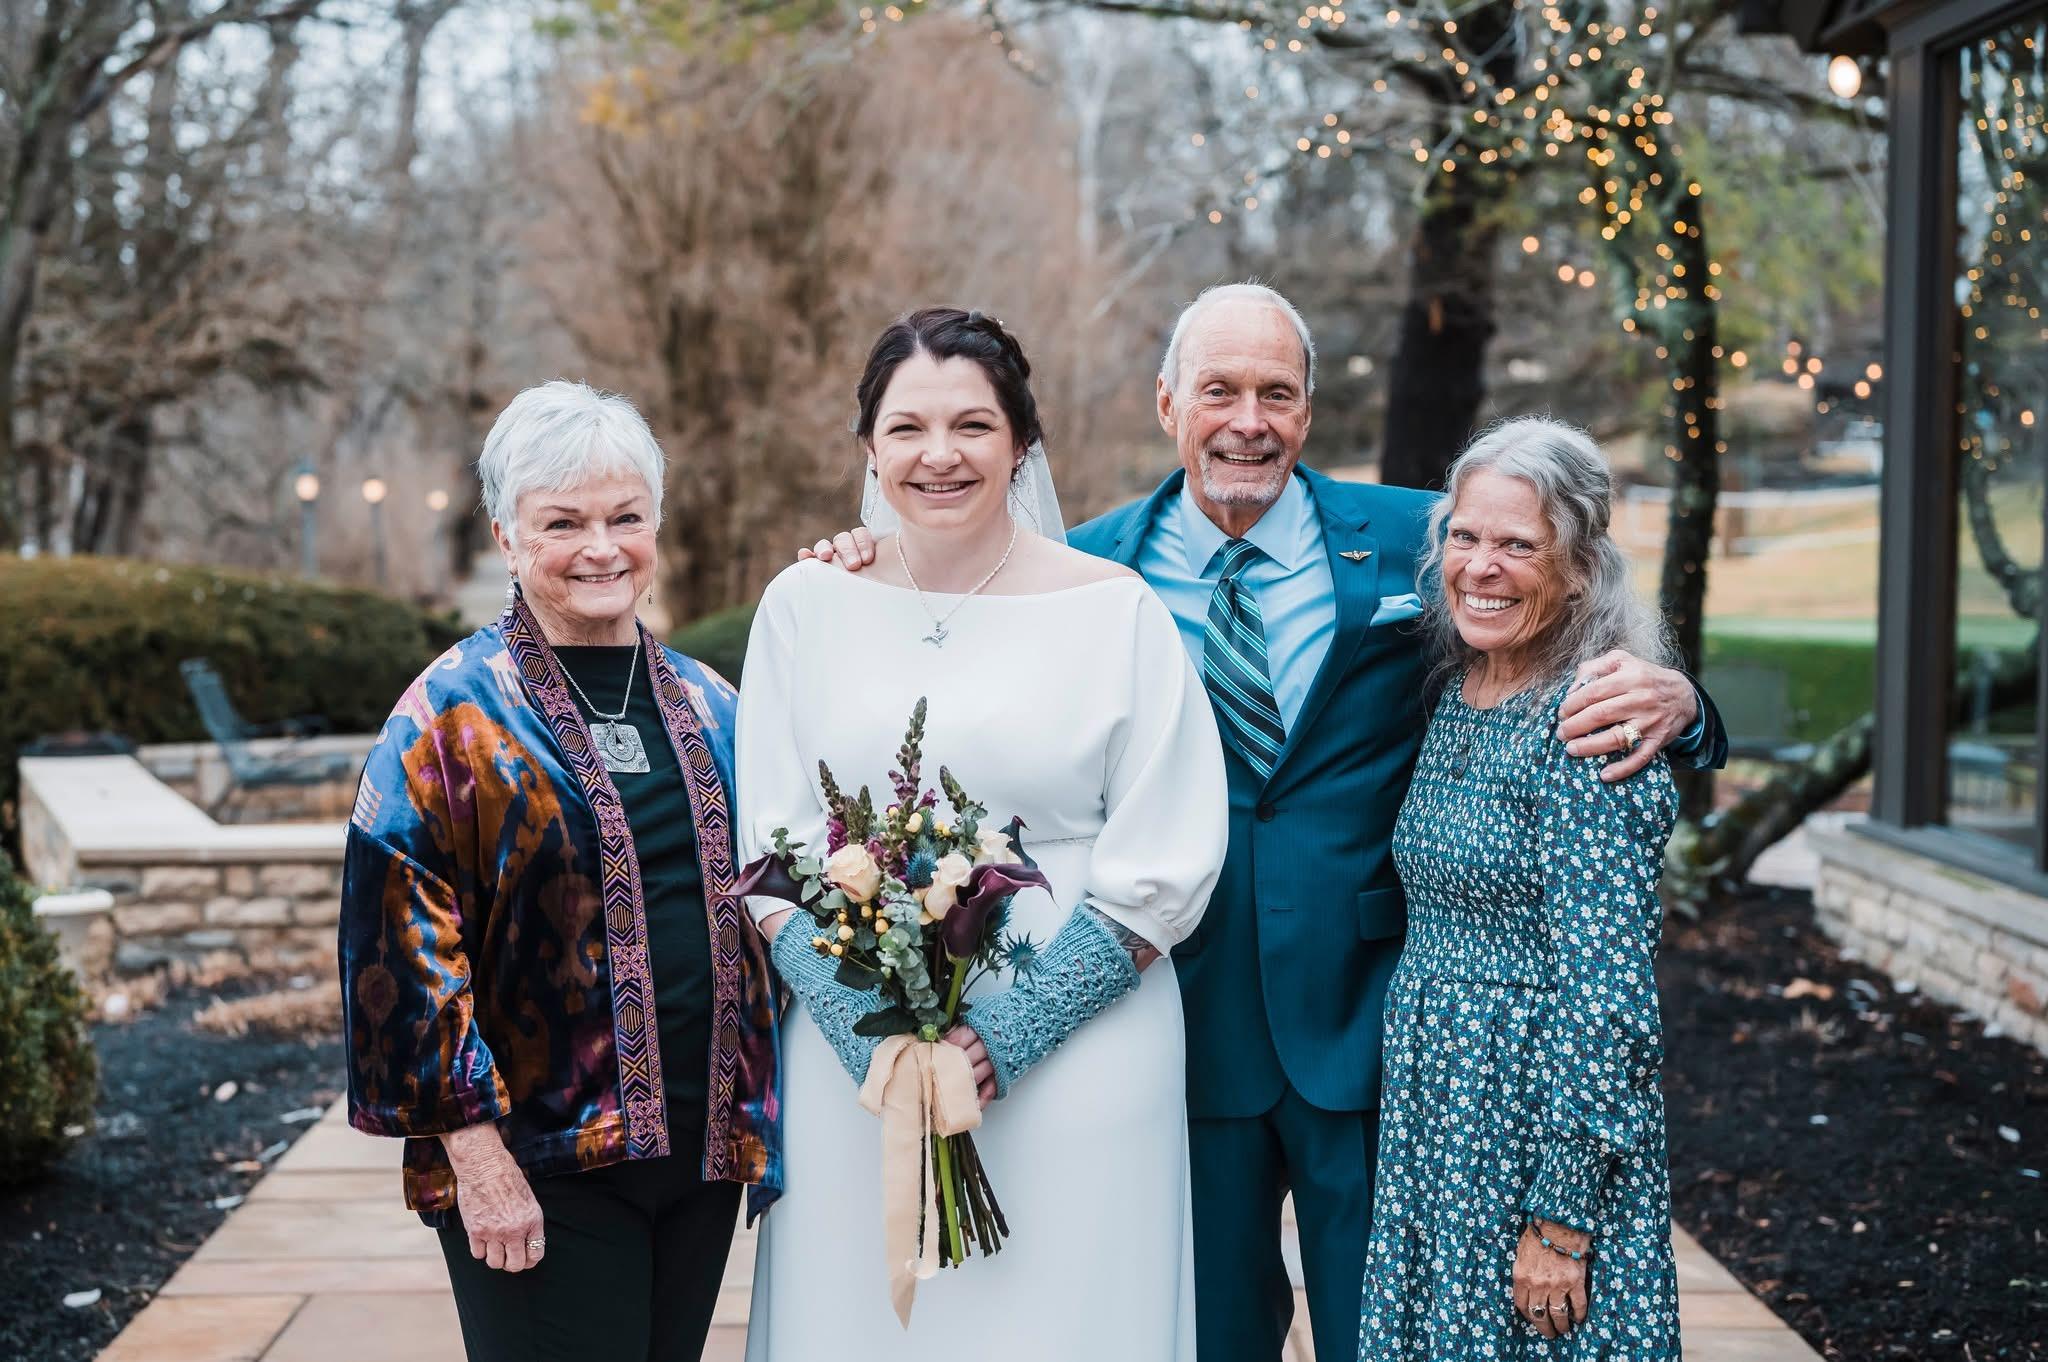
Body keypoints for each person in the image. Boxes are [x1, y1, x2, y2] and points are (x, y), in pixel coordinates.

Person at [806, 282, 1727, 1361]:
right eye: (1218, 391)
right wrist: (857, 567)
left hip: (1379, 1030)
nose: (1247, 420)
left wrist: (1686, 710)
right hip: (1173, 1024)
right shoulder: (1085, 574)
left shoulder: (1415, 542)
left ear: (1305, 410)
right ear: (1167, 404)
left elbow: (1544, 617)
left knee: (1383, 1334)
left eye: (1274, 393)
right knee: (1207, 1334)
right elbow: (954, 652)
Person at [737, 307, 1227, 1360]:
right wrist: (868, 1023)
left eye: (972, 425)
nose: (939, 455)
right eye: (906, 428)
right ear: (868, 448)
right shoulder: (804, 603)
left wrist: (1009, 1037)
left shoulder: (1115, 610)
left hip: (1084, 1049)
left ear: (1021, 444)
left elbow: (1169, 854)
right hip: (855, 1060)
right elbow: (766, 845)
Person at [337, 380, 781, 1362]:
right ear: (506, 536)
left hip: (698, 1159)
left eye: (625, 517)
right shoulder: (449, 718)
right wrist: (473, 1153)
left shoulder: (713, 707)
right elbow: (396, 956)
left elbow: (781, 893)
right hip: (540, 1164)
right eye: (562, 522)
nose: (600, 547)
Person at [1358, 417, 1683, 1358]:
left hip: (1532, 1137)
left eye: (1518, 544)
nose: (1481, 565)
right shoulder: (1463, 689)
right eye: (1465, 536)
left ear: (1579, 567)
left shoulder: (1591, 727)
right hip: (1442, 1120)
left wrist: (1562, 1218)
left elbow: (1613, 999)